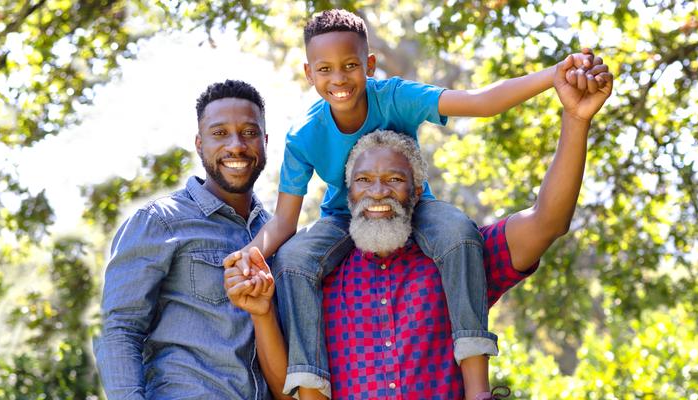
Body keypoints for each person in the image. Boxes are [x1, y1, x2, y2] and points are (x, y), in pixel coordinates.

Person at [224, 8, 609, 398]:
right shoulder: (304, 134)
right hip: (340, 219)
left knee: (459, 231)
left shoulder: (394, 98)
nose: (338, 78)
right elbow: (285, 222)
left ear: (369, 65)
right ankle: (311, 390)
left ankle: (478, 388)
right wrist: (250, 253)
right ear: (309, 73)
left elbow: (481, 103)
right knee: (291, 260)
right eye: (325, 69)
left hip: (419, 211)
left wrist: (554, 77)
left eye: (350, 65)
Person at [95, 80, 286, 399]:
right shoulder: (161, 221)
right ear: (200, 144)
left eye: (249, 133)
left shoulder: (277, 237)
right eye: (220, 133)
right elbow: (118, 329)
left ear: (265, 141)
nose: (236, 145)